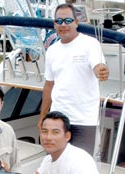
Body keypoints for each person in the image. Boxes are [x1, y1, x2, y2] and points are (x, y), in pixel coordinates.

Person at [38, 3, 109, 156]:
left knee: (81, 169)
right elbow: (49, 85)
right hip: (57, 120)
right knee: (54, 166)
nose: (63, 25)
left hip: (84, 121)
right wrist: (43, 117)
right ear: (54, 24)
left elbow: (98, 66)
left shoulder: (90, 44)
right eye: (59, 21)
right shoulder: (52, 51)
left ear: (76, 22)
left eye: (68, 21)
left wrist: (101, 71)